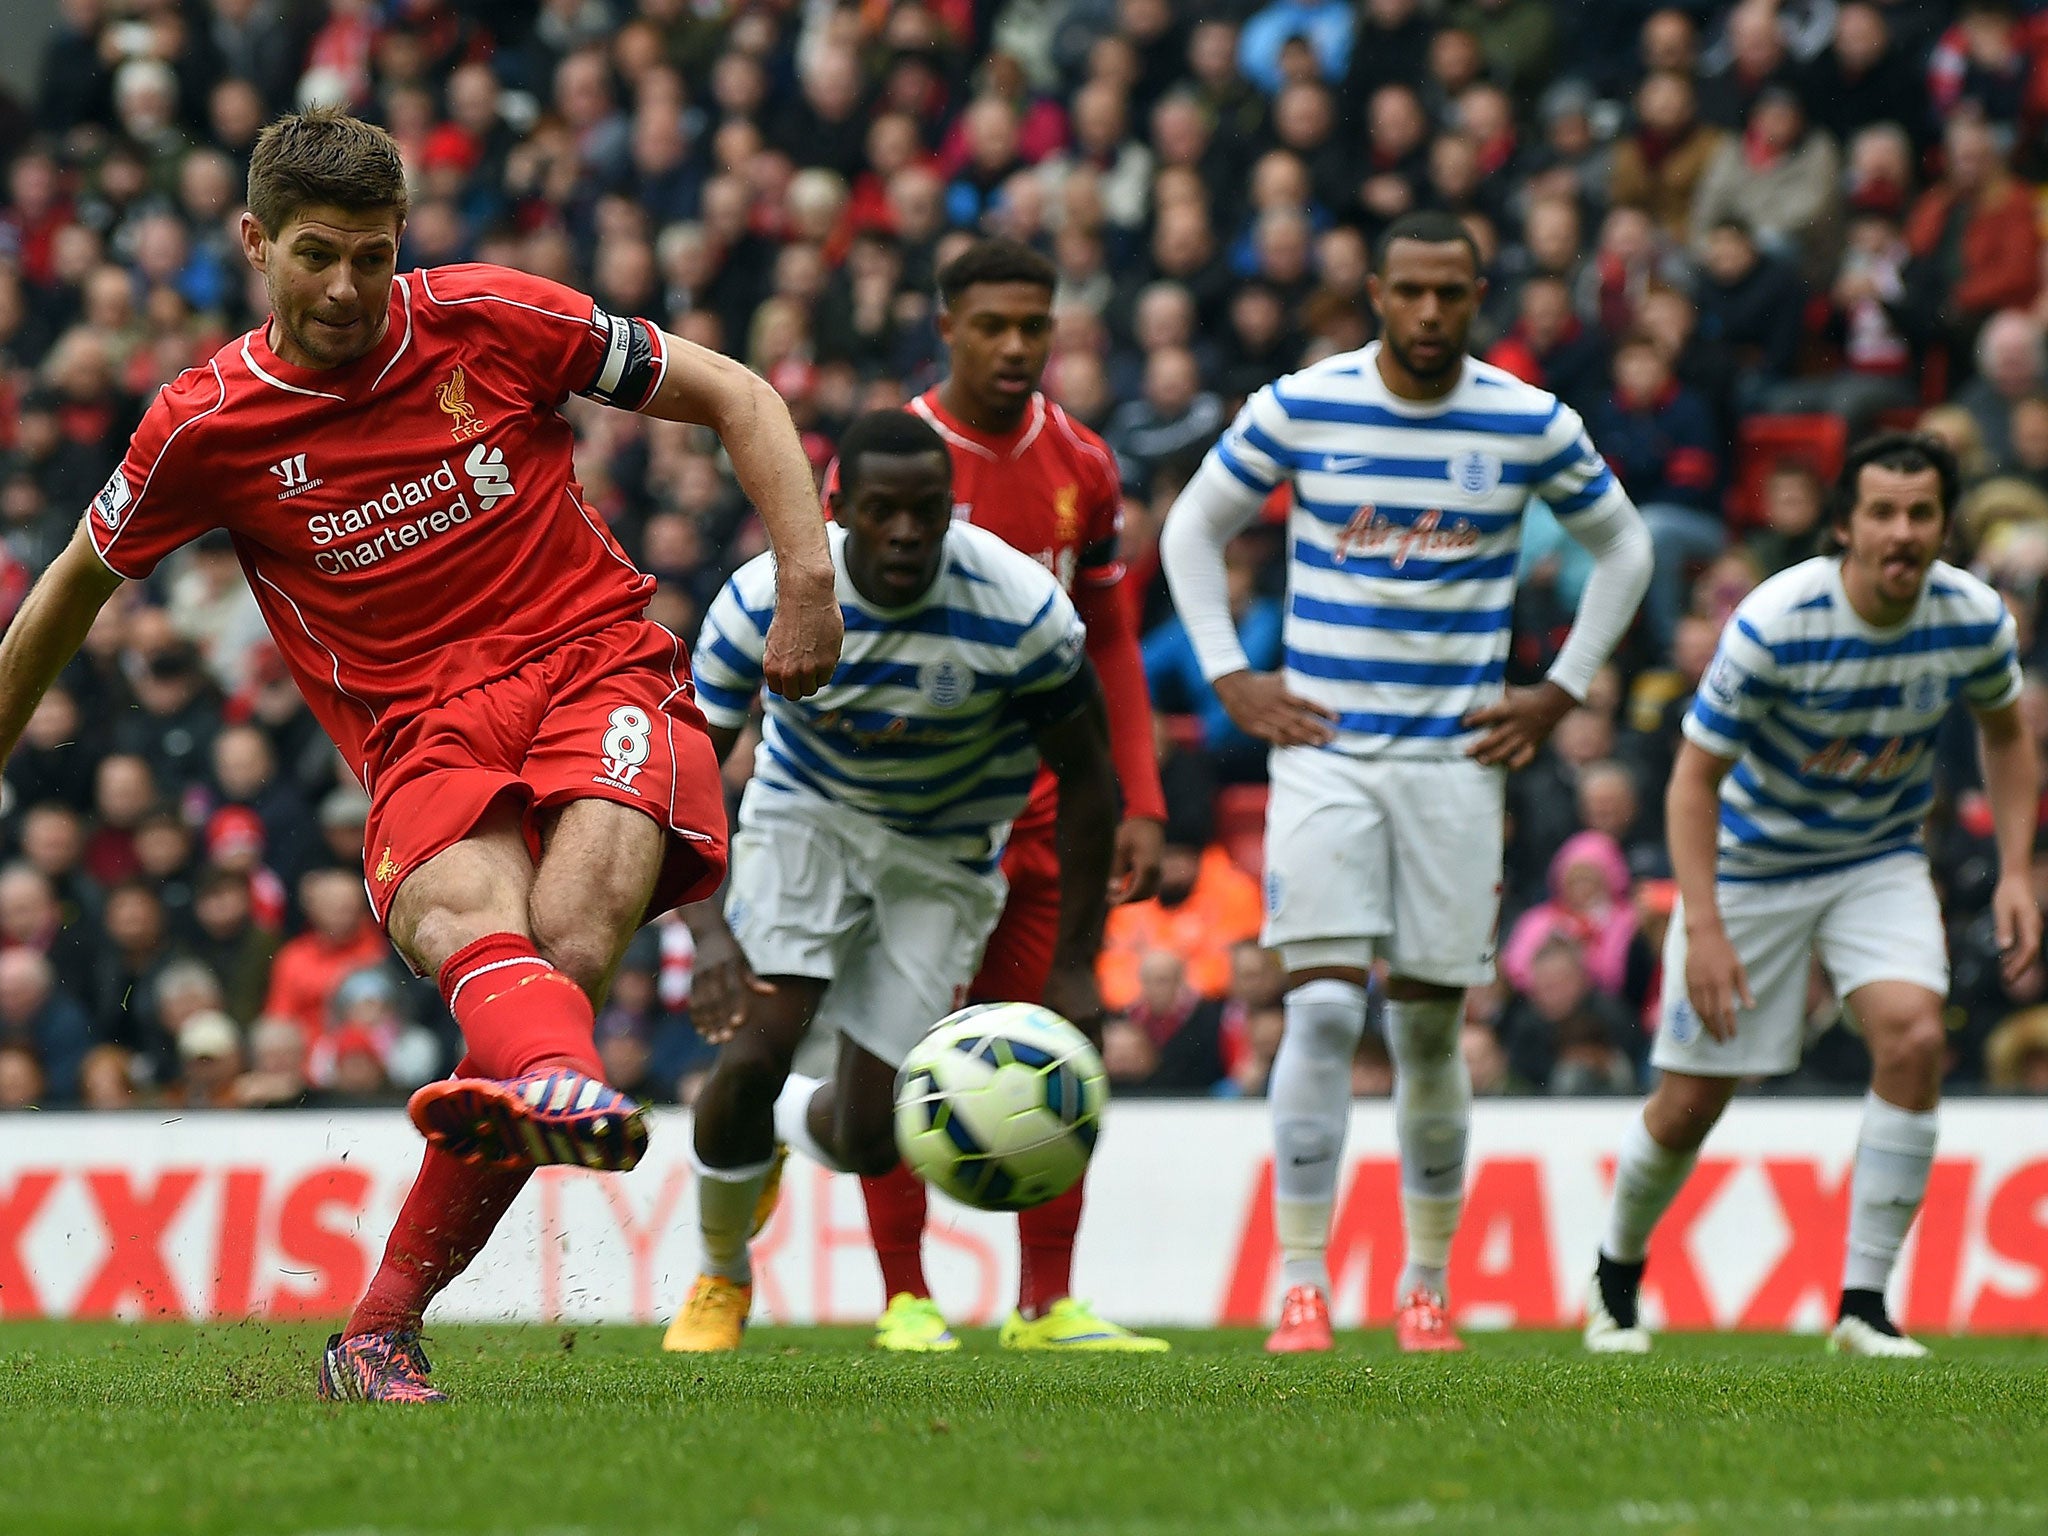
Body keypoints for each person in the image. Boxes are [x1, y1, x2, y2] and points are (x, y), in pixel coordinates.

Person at [0, 109, 841, 1402]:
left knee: (562, 950)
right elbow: (69, 589)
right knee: (474, 929)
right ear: (254, 242)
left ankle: (428, 1255)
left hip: (596, 664)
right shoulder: (205, 425)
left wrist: (808, 580)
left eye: (373, 255)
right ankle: (497, 1152)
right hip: (420, 733)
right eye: (318, 255)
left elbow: (740, 392)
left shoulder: (494, 318)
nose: (347, 287)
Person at [1160, 209, 1652, 1353]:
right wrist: (1229, 675)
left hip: (1453, 762)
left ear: (1476, 296)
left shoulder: (1526, 421)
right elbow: (1191, 529)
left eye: (1452, 294)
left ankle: (1424, 1285)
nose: (1430, 314)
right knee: (1324, 1012)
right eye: (1410, 292)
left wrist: (1562, 689)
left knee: (1428, 1034)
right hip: (1326, 751)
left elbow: (1623, 548)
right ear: (1375, 289)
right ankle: (1299, 1286)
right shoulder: (1300, 402)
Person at [660, 409, 1119, 1353]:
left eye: (926, 512)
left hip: (944, 855)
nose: (906, 533)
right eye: (882, 512)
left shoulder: (1022, 608)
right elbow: (685, 776)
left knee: (877, 1135)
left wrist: (1077, 964)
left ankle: (783, 1124)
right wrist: (706, 937)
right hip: (805, 820)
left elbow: (1091, 781)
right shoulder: (763, 600)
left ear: (953, 510)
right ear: (840, 512)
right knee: (752, 1053)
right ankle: (720, 1276)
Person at [1586, 432, 2041, 1358]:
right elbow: (1690, 781)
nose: (1902, 533)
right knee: (1691, 1103)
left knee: (1914, 1034)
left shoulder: (1974, 619)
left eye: (1920, 514)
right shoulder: (1773, 621)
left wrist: (2020, 870)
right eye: (1882, 513)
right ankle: (1614, 1276)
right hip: (1750, 865)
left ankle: (1863, 1307)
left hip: (1875, 859)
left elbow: (2004, 734)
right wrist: (1703, 925)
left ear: (1946, 526)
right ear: (1844, 526)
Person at [850, 239, 1171, 1353]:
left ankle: (1046, 1303)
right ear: (946, 325)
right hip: (912, 814)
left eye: (1033, 326)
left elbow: (1116, 640)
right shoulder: (892, 460)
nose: (1014, 347)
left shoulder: (1081, 463)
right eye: (990, 325)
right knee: (898, 1047)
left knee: (1051, 1042)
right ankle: (905, 1297)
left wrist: (1140, 798)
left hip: (1045, 813)